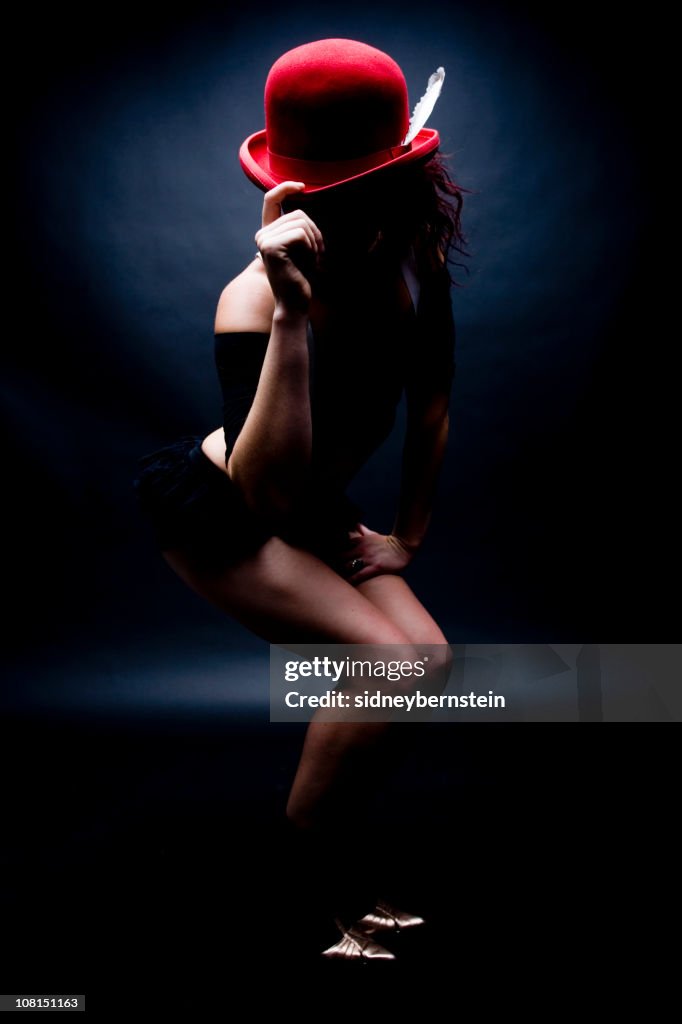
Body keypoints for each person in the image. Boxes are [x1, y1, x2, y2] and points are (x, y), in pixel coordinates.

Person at [134, 37, 467, 962]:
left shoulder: (410, 253)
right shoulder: (250, 297)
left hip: (305, 502)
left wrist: (408, 535)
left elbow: (433, 400)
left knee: (426, 662)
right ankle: (321, 891)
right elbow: (262, 488)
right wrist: (287, 309)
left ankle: (341, 860)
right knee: (387, 667)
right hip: (225, 511)